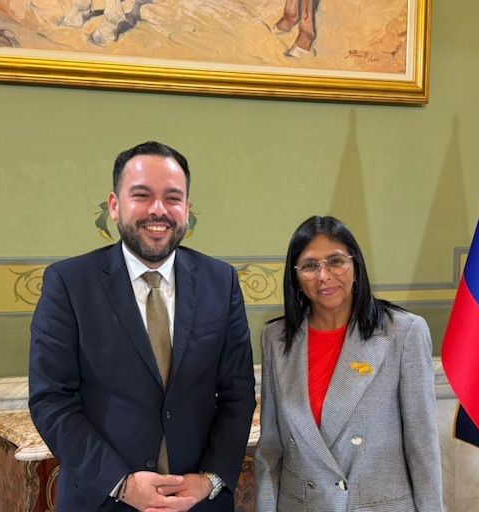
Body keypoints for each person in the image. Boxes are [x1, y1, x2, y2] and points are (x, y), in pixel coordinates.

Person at [29, 141, 256, 512]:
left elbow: (238, 393)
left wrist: (210, 480)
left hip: (199, 501)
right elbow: (51, 400)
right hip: (104, 499)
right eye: (142, 195)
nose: (158, 209)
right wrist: (121, 485)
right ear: (114, 206)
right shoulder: (69, 284)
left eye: (173, 197)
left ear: (187, 210)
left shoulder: (221, 281)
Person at [254, 216, 443, 511]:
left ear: (355, 267)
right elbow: (270, 450)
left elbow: (422, 447)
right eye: (310, 266)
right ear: (296, 278)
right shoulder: (275, 338)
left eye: (336, 261)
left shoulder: (404, 332)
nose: (324, 276)